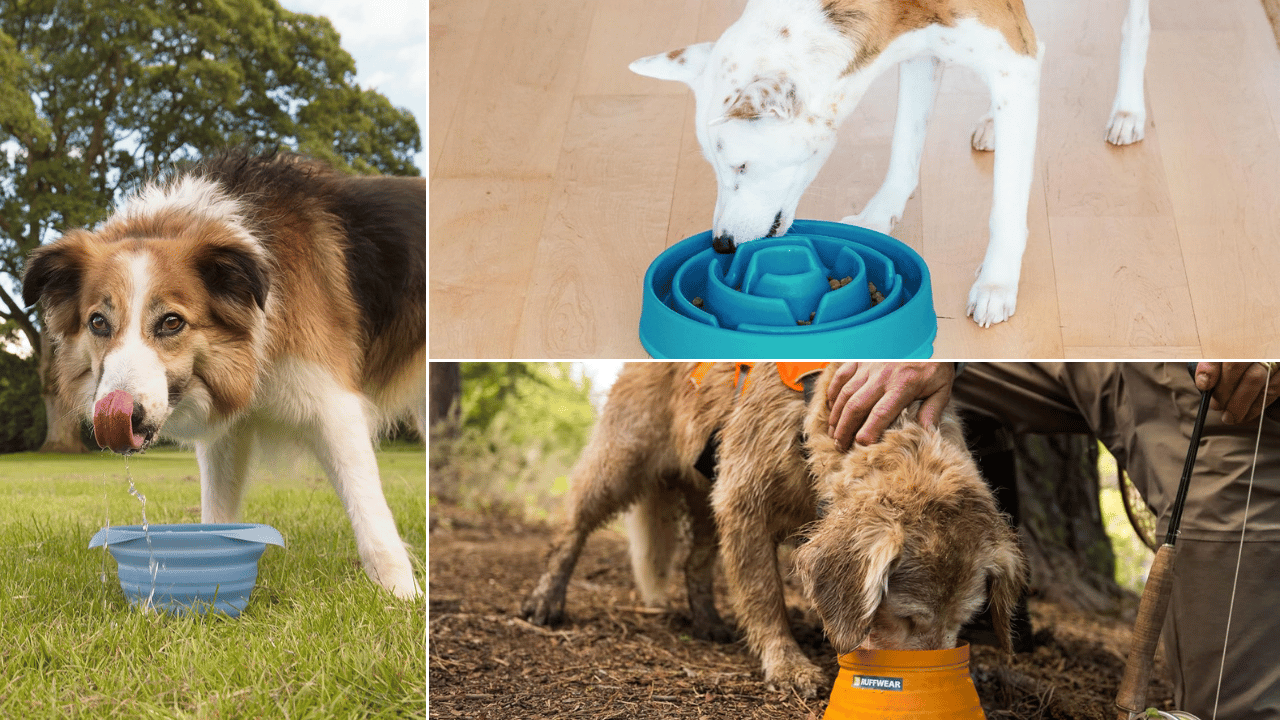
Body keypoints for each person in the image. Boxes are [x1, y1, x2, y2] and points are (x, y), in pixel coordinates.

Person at [825, 361, 1280, 720]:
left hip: (1213, 375)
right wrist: (940, 353)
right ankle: (975, 618)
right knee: (854, 373)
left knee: (1231, 706)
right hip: (1081, 331)